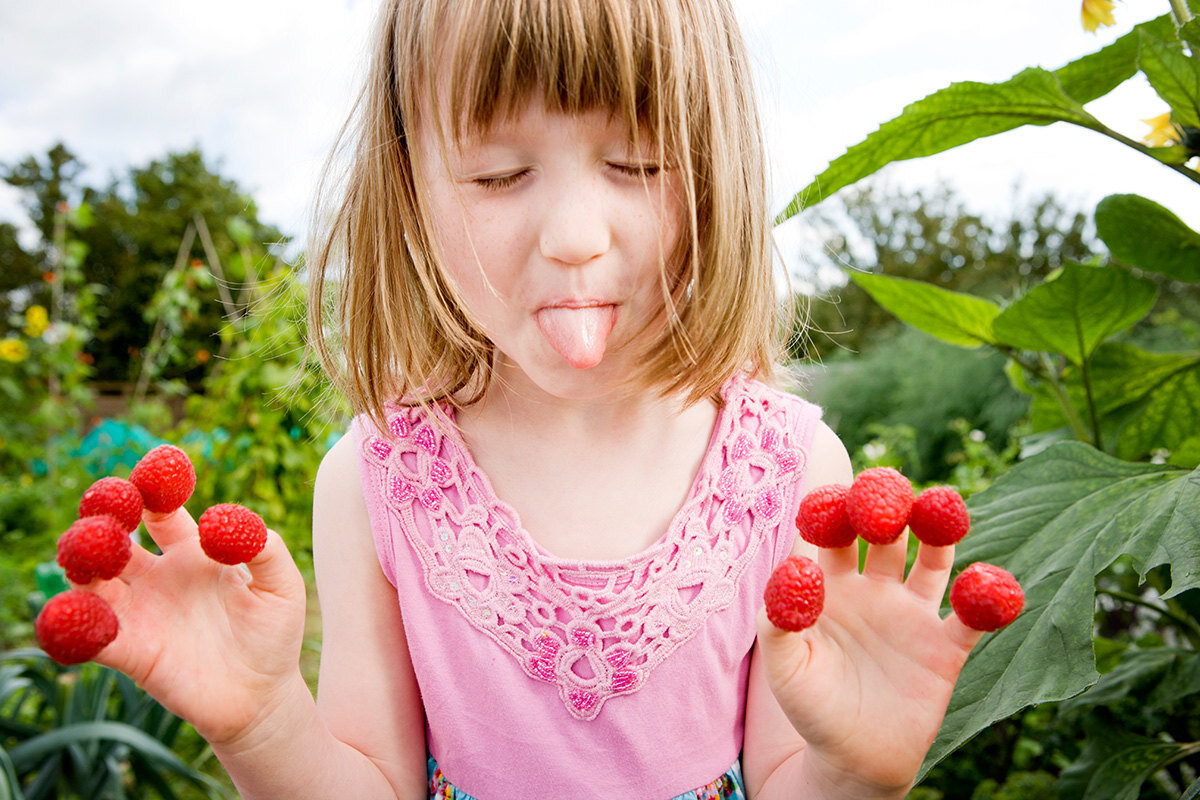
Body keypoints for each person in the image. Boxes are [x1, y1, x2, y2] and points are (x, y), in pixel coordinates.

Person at [88, 0, 987, 797]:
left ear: (722, 175)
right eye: (496, 175)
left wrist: (854, 774)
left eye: (637, 163)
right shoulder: (374, 480)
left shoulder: (793, 470)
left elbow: (793, 782)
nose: (574, 238)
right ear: (407, 191)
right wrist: (263, 725)